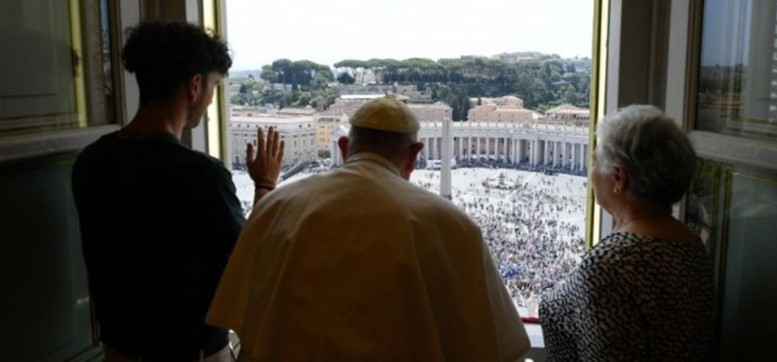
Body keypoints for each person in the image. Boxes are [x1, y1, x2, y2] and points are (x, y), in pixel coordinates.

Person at [206, 96, 530, 362]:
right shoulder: (454, 227)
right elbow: (496, 347)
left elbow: (240, 316)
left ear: (345, 147)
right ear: (415, 155)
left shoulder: (275, 207)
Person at [71, 20, 284, 362]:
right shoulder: (202, 175)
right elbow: (251, 260)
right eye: (214, 86)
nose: (212, 99)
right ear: (195, 85)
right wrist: (264, 184)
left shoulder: (91, 161)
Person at [538, 104, 715, 361]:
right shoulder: (691, 243)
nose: (592, 174)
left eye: (595, 163)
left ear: (619, 178)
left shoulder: (610, 264)